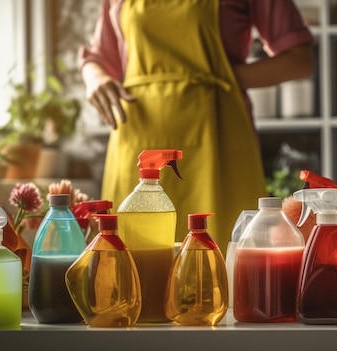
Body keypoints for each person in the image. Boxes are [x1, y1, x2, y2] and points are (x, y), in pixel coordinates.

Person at [79, 0, 315, 251]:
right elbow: (99, 59)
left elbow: (300, 60)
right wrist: (96, 78)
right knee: (129, 265)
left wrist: (218, 79)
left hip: (217, 137)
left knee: (223, 263)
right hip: (138, 140)